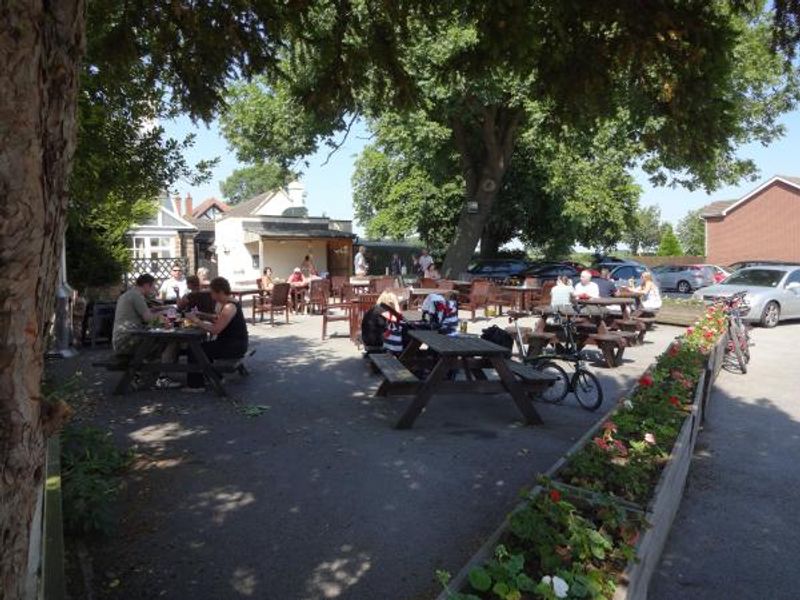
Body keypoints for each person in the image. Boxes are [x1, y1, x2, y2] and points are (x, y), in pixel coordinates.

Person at [112, 274, 181, 389]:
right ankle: (161, 378)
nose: (153, 290)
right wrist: (165, 314)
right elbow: (148, 318)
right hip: (126, 342)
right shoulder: (136, 296)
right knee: (165, 341)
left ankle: (141, 375)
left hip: (121, 339)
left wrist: (163, 308)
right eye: (152, 287)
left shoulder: (129, 294)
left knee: (157, 341)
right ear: (146, 285)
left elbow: (147, 310)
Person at [185, 277, 249, 389]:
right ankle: (216, 377)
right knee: (203, 348)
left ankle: (196, 386)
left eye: (212, 293)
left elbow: (215, 329)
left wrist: (196, 320)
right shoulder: (230, 302)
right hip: (234, 343)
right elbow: (218, 318)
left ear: (220, 292)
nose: (211, 296)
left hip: (233, 346)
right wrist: (201, 314)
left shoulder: (229, 306)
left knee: (195, 350)